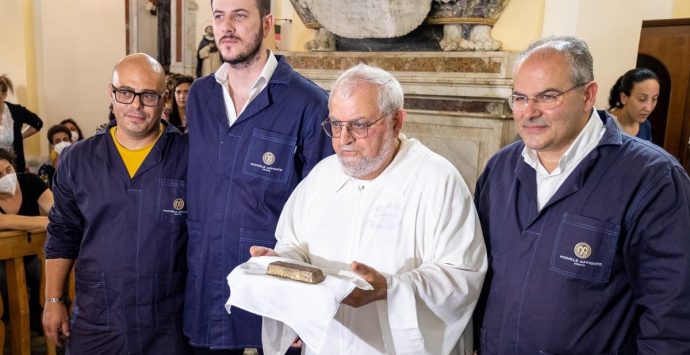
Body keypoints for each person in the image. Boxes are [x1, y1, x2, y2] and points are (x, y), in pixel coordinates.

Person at [249, 63, 487, 354]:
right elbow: (295, 244)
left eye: (359, 125)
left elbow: (462, 275)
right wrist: (283, 263)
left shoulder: (437, 180)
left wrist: (390, 289)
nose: (343, 139)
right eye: (336, 124)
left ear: (397, 122)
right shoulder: (323, 176)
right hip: (327, 343)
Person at [474, 36, 690, 354]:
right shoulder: (501, 168)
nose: (527, 112)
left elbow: (672, 316)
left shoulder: (654, 178)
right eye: (519, 98)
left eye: (547, 97)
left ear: (588, 95)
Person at [184, 0, 334, 352]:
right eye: (219, 17)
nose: (226, 27)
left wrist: (308, 307)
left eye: (239, 15)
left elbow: (324, 211)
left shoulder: (308, 104)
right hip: (204, 283)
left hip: (272, 292)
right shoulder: (200, 96)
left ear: (267, 24)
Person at [43, 53, 191, 354]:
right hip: (97, 320)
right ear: (111, 94)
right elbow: (62, 234)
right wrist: (53, 299)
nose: (136, 105)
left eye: (148, 95)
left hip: (168, 322)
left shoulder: (189, 157)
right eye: (126, 92)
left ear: (164, 100)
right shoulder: (78, 159)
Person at [0, 148, 53, 334]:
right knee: (5, 281)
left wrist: (46, 221)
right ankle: (13, 329)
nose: (6, 177)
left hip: (32, 252)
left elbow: (57, 213)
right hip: (2, 257)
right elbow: (3, 221)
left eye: (8, 170)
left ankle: (40, 323)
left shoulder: (29, 181)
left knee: (41, 272)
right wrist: (43, 222)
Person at [0, 75, 44, 172]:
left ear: (4, 94)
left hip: (13, 166)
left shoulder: (16, 111)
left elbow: (38, 123)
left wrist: (19, 136)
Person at [607, 68, 660, 141]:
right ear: (624, 98)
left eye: (654, 99)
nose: (649, 108)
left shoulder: (645, 125)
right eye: (642, 99)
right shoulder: (603, 125)